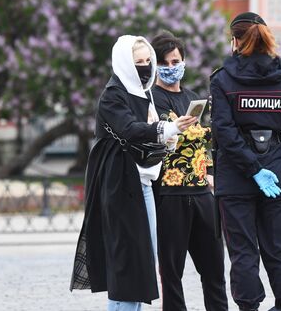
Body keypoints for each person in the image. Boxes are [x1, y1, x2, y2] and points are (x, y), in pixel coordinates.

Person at [70, 35, 197, 311]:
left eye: (147, 61)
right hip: (119, 185)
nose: (145, 67)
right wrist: (168, 130)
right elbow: (129, 129)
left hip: (144, 185)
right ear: (124, 64)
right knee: (127, 263)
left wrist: (167, 138)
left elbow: (147, 135)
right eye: (138, 62)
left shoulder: (145, 94)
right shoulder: (113, 95)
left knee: (143, 260)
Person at [210, 12, 281, 311]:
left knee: (243, 252)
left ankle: (249, 307)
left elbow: (225, 132)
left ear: (235, 41)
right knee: (280, 250)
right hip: (277, 171)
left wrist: (252, 169)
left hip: (235, 177)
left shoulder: (223, 80)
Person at [149, 31, 229, 311]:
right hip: (169, 195)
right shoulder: (150, 99)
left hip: (202, 193)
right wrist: (174, 130)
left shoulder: (194, 97)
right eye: (165, 63)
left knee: (215, 272)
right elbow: (151, 140)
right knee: (172, 274)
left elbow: (204, 144)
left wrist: (209, 171)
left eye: (176, 61)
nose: (171, 68)